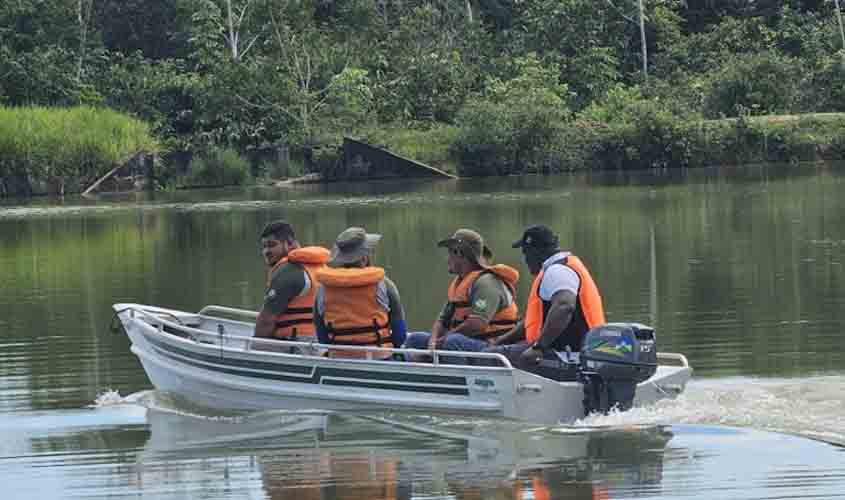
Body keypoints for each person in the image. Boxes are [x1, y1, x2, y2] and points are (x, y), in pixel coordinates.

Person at [489, 225, 606, 373]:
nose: (525, 260)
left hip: (566, 355)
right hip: (580, 351)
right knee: (493, 350)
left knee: (486, 357)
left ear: (535, 251)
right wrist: (501, 340)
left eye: (525, 253)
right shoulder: (563, 265)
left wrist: (539, 347)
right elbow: (533, 322)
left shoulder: (557, 271)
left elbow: (564, 306)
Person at [403, 229, 519, 363]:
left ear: (460, 253)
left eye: (450, 253)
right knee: (415, 339)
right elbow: (442, 320)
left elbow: (477, 324)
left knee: (453, 342)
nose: (447, 259)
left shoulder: (486, 283)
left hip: (492, 345)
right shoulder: (460, 284)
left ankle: (456, 381)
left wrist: (444, 339)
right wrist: (433, 342)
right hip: (466, 341)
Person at [313, 227, 407, 358]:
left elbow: (322, 337)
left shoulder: (323, 289)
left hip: (339, 360)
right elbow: (400, 335)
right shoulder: (384, 285)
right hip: (380, 359)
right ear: (364, 258)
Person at [254, 220, 330, 341]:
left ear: (289, 242)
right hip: (319, 341)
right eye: (264, 246)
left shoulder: (288, 270)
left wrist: (254, 346)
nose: (266, 251)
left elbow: (266, 322)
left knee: (253, 346)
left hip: (296, 343)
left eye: (272, 245)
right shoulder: (321, 266)